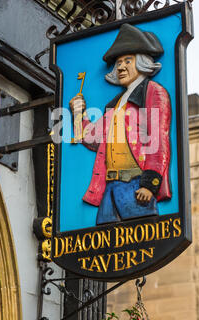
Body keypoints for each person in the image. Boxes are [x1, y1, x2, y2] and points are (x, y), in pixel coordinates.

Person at [69, 23, 171, 225]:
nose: (121, 67)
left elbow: (158, 140)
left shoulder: (153, 92)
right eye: (118, 63)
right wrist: (78, 114)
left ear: (142, 62)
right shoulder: (116, 104)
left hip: (135, 186)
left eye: (127, 60)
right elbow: (92, 138)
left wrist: (149, 184)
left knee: (140, 242)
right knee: (105, 248)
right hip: (109, 186)